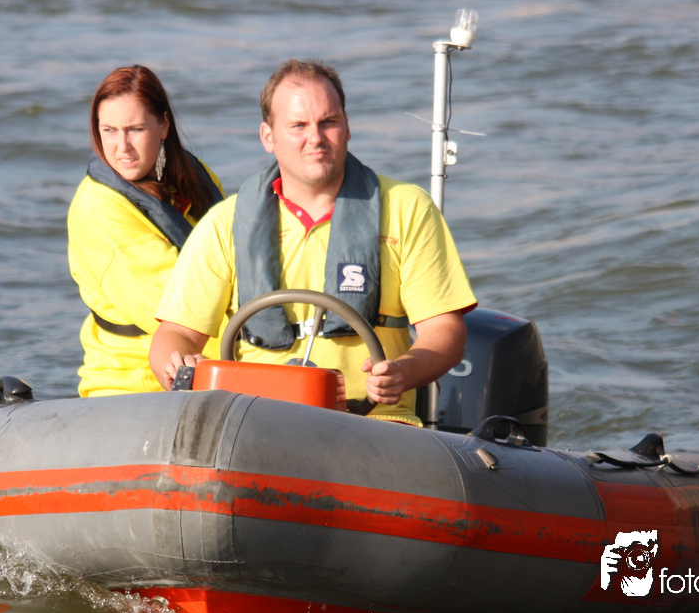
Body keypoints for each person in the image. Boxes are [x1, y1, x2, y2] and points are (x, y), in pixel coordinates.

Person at [149, 60, 476, 424]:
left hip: (376, 426)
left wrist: (404, 371)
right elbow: (175, 333)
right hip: (257, 425)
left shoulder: (408, 208)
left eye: (328, 122)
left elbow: (444, 331)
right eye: (298, 126)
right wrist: (179, 364)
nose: (316, 138)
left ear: (347, 127)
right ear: (268, 136)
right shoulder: (224, 223)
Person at [68, 65, 224, 396]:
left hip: (203, 376)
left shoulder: (193, 179)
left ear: (164, 125)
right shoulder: (99, 210)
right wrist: (268, 348)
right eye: (109, 130)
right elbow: (181, 310)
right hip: (132, 389)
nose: (122, 146)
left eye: (135, 129)